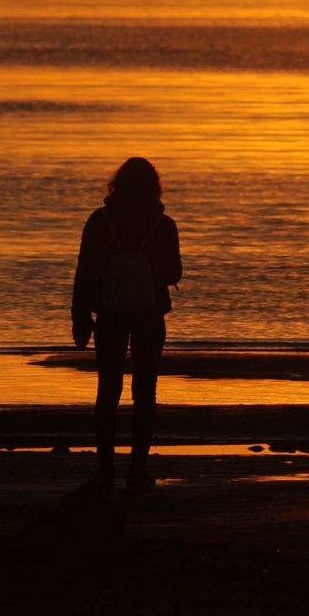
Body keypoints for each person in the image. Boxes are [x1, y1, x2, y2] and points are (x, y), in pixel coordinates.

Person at [72, 157, 182, 491]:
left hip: (109, 313)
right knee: (145, 391)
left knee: (108, 390)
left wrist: (80, 316)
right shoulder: (163, 225)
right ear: (153, 187)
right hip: (149, 313)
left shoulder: (100, 221)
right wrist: (148, 269)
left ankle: (105, 468)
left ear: (117, 184)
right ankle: (138, 467)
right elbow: (174, 272)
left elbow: (85, 271)